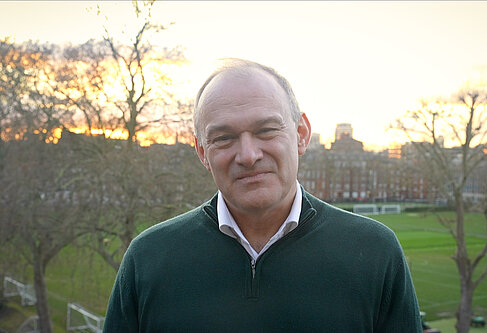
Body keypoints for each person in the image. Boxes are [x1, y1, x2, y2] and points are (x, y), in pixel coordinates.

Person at [103, 59, 422, 332]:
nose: (248, 154)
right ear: (202, 152)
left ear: (301, 134)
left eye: (266, 130)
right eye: (224, 138)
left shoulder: (376, 251)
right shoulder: (148, 258)